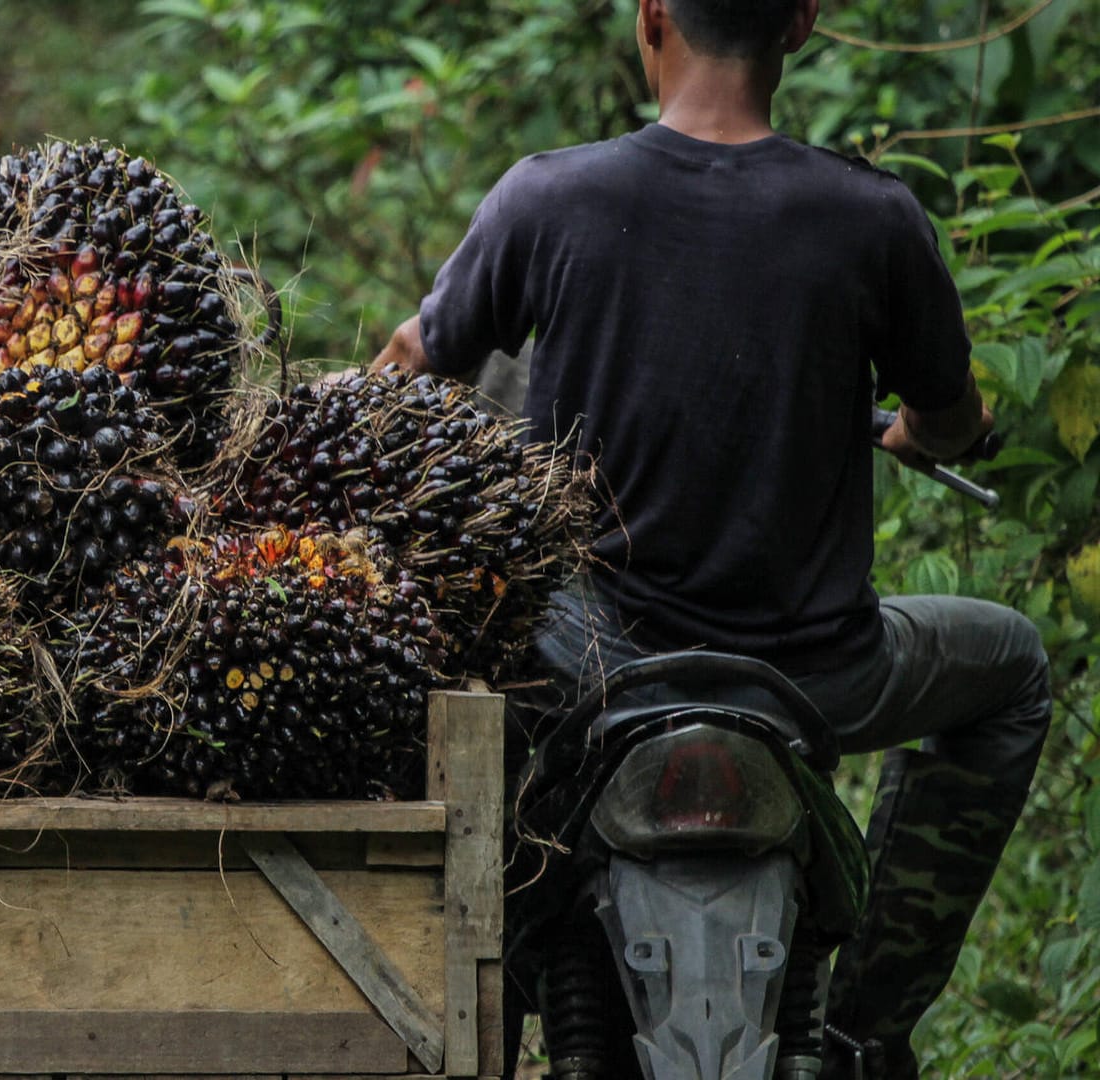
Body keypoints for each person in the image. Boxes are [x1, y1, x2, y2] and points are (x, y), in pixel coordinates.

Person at [374, 1, 1052, 1076]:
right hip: (817, 674)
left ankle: (478, 1001)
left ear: (651, 17)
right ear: (802, 23)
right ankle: (866, 1021)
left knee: (444, 664)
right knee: (1014, 669)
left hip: (588, 670)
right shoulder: (875, 218)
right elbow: (958, 418)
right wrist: (920, 430)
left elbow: (414, 365)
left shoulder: (549, 193)